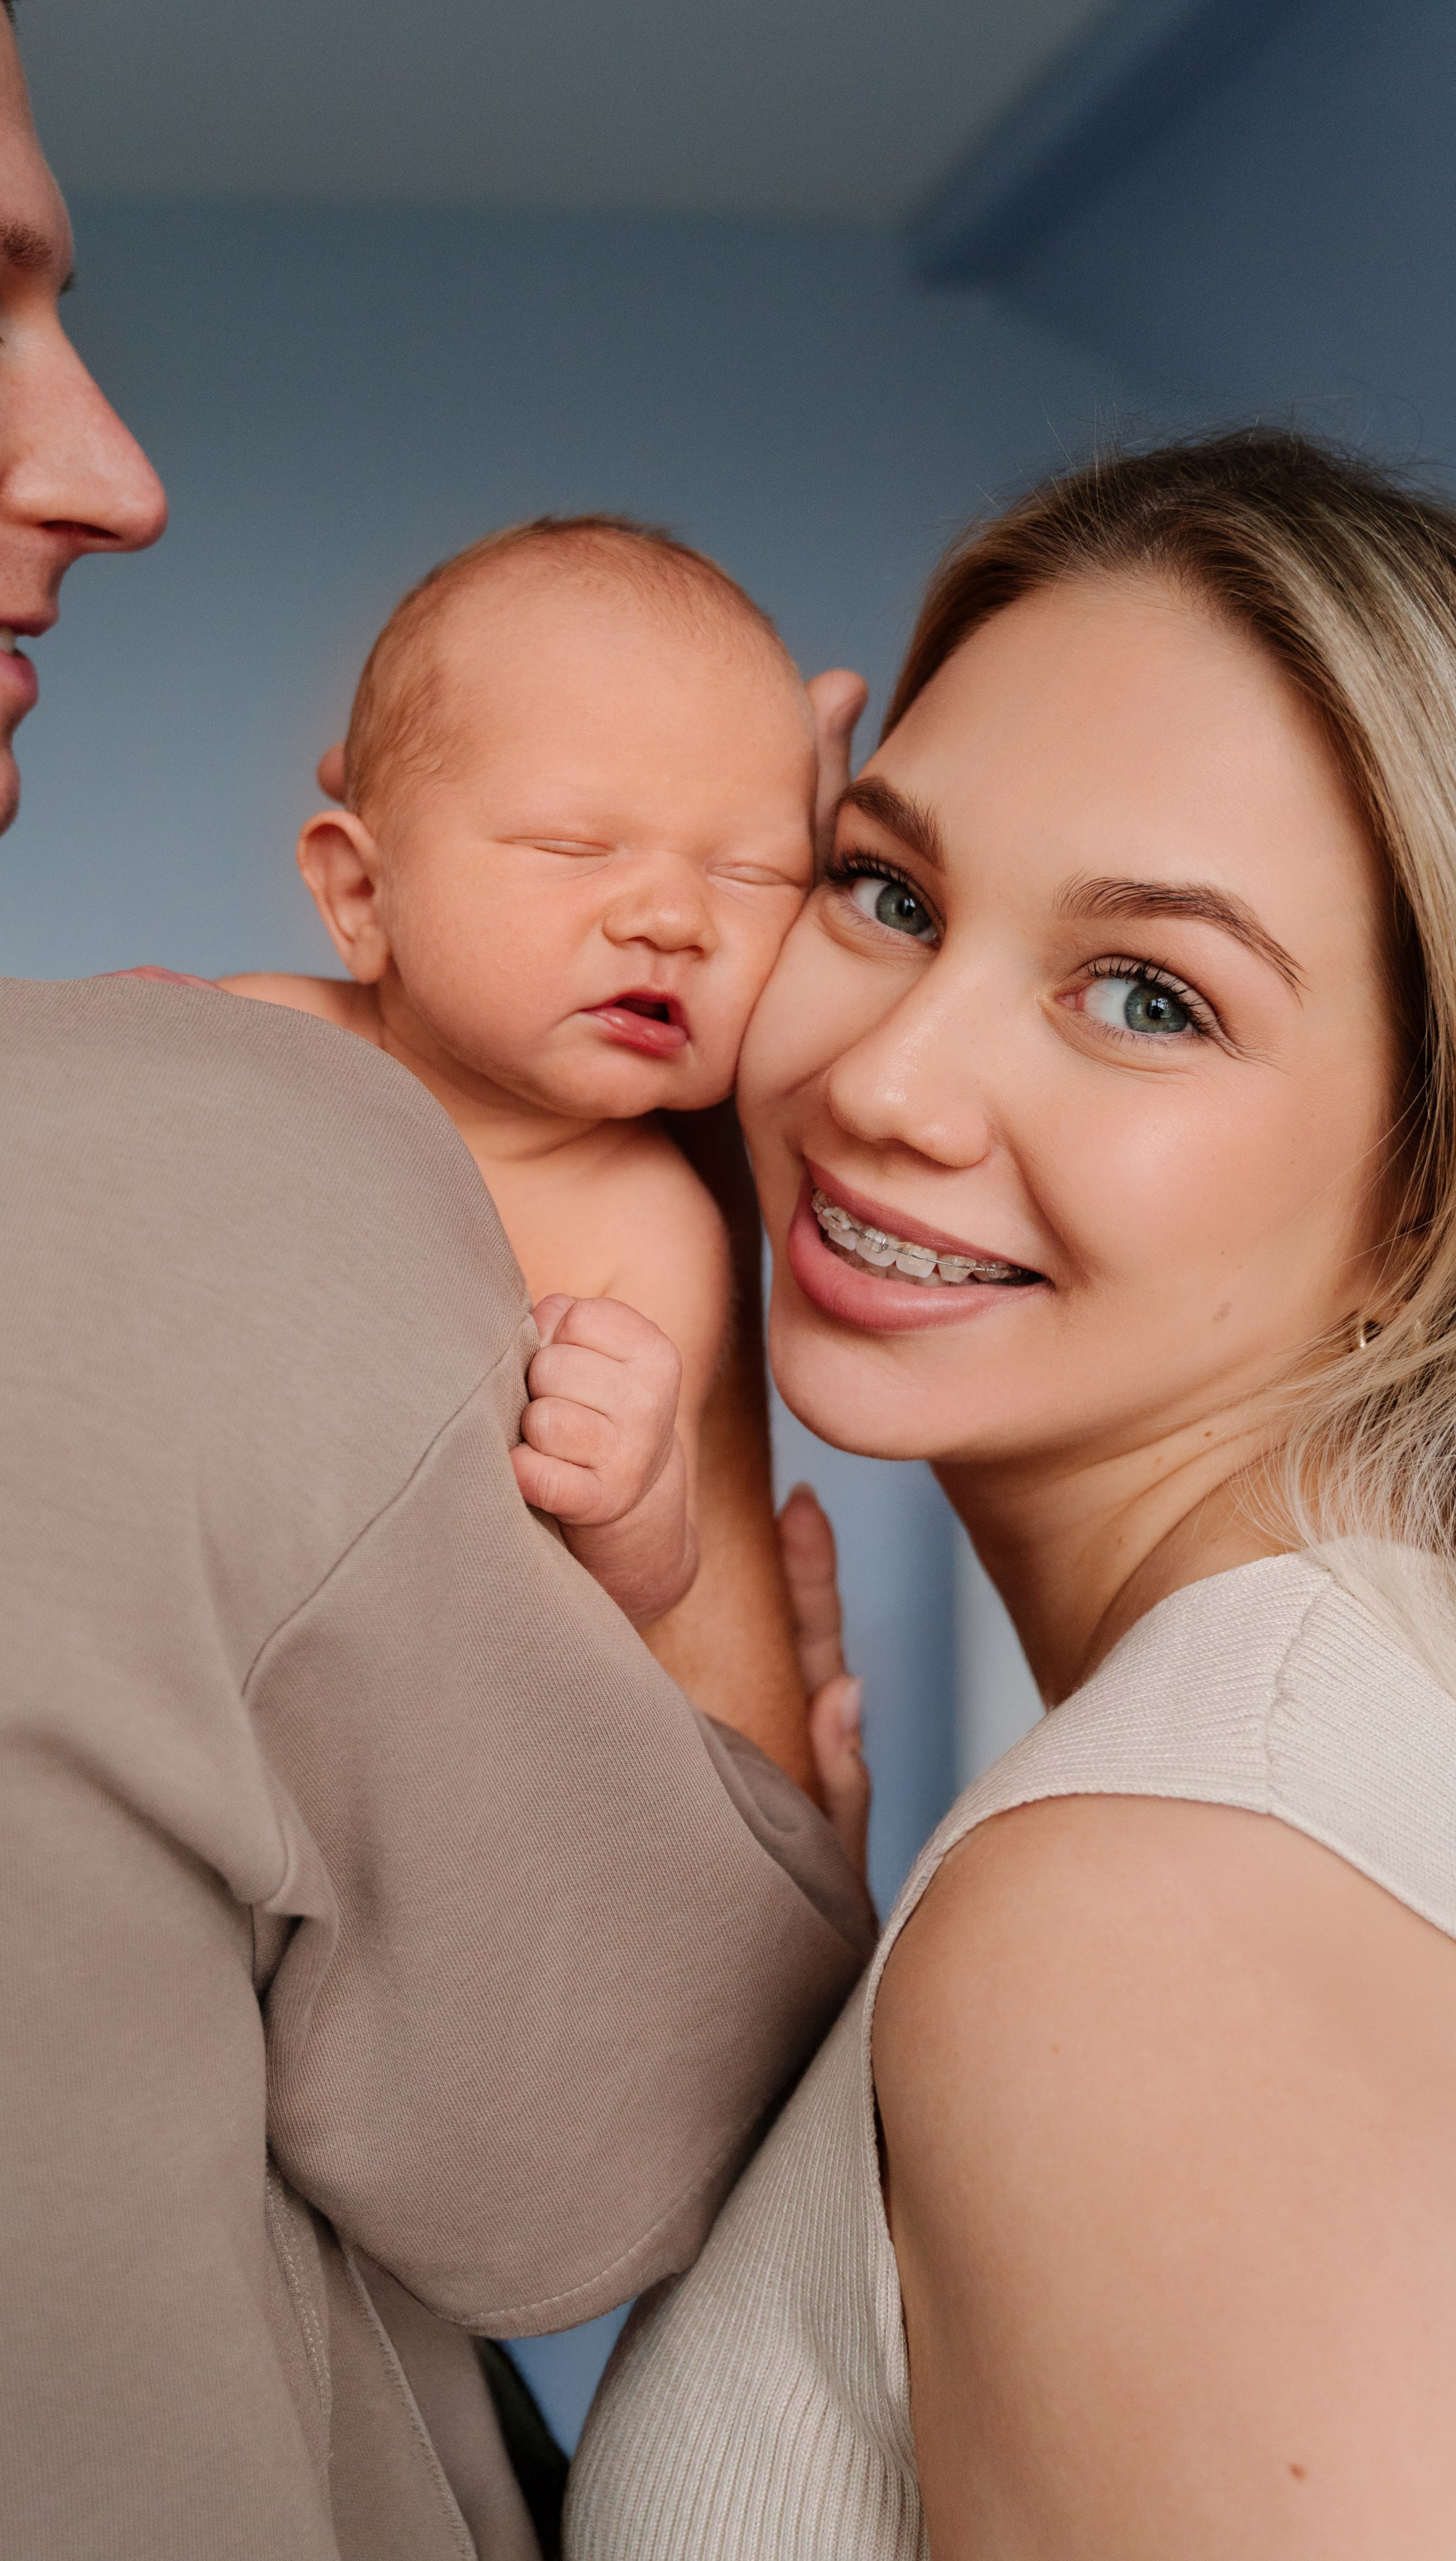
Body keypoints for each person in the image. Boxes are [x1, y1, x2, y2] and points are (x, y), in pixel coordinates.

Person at [0, 6, 874, 2558]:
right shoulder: (224, 1144)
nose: (122, 474)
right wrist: (795, 1799)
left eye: (778, 876)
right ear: (349, 884)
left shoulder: (319, 1146)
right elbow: (605, 2158)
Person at [570, 431, 1456, 2558]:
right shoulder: (1306, 1739)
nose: (882, 1078)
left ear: (1425, 1184)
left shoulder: (1147, 1902)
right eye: (886, 891)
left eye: (1149, 995)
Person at [209, 514, 833, 1789]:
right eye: (574, 850)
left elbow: (651, 1595)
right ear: (362, 897)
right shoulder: (246, 1046)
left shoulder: (650, 1229)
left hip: (414, 1752)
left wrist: (627, 1499)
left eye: (754, 875)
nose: (672, 917)